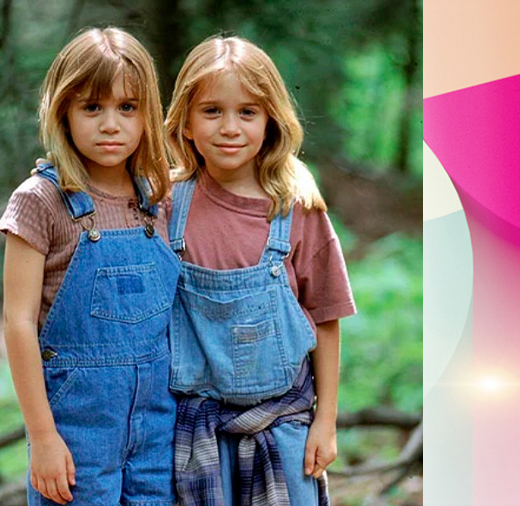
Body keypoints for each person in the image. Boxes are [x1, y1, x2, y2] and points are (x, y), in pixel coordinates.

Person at [163, 35, 357, 506]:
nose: (230, 127)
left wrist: (326, 421)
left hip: (284, 429)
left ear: (270, 120)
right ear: (185, 121)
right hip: (195, 436)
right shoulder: (166, 204)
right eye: (212, 111)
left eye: (247, 112)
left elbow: (325, 318)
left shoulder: (297, 209)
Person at [0, 27, 178, 506]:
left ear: (148, 114)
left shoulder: (158, 199)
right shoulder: (41, 201)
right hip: (75, 435)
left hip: (157, 432)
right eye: (92, 107)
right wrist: (43, 437)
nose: (111, 124)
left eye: (128, 107)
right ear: (64, 112)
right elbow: (17, 323)